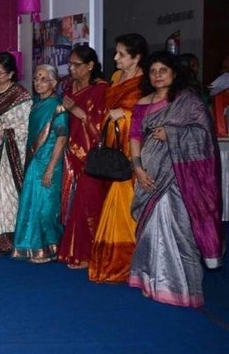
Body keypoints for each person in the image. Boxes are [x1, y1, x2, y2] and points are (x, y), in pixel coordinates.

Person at [128, 51, 223, 307]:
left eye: (163, 70)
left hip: (180, 178)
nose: (157, 75)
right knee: (149, 232)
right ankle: (152, 281)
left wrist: (172, 133)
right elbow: (135, 136)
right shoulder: (143, 102)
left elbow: (205, 136)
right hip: (149, 173)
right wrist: (138, 168)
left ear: (174, 73)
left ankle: (183, 289)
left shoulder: (188, 101)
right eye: (153, 71)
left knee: (182, 231)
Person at [89, 33, 148, 284]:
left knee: (123, 204)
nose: (115, 58)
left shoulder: (144, 84)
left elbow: (145, 119)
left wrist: (124, 114)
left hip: (131, 154)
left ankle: (125, 264)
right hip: (111, 151)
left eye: (121, 54)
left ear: (137, 58)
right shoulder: (115, 78)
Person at [56, 45, 109, 269]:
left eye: (76, 64)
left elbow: (102, 126)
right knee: (70, 202)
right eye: (70, 64)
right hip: (70, 152)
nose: (71, 68)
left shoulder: (100, 90)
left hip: (91, 157)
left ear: (90, 66)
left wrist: (77, 112)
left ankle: (88, 254)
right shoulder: (69, 87)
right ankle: (73, 251)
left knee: (87, 204)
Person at [12, 64, 69, 263]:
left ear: (54, 82)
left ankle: (51, 248)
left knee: (47, 207)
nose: (38, 82)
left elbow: (62, 138)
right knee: (31, 204)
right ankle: (33, 247)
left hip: (49, 162)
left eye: (43, 79)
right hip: (34, 162)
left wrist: (51, 168)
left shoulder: (58, 106)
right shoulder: (36, 104)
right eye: (36, 78)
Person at [0, 52, 32, 255]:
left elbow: (26, 127)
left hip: (13, 151)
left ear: (10, 74)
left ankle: (9, 238)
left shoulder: (20, 95)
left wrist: (5, 133)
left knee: (7, 193)